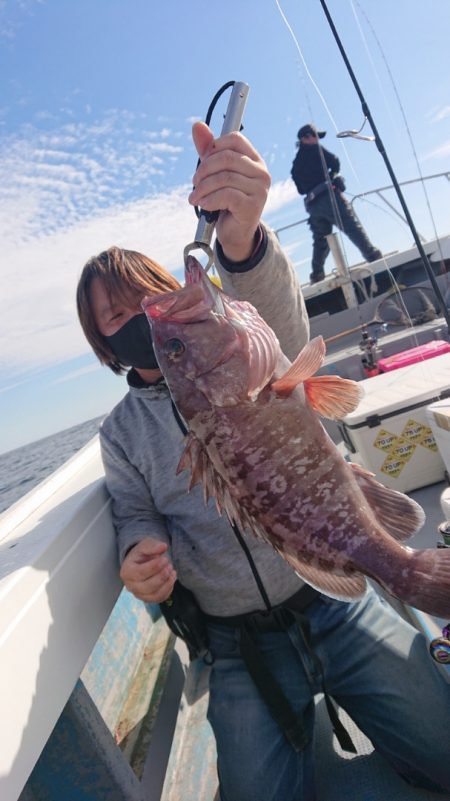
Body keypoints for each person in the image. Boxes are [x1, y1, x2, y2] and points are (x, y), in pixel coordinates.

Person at [76, 121, 450, 801]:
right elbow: (133, 510)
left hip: (334, 605)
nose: (135, 315)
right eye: (112, 316)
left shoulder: (249, 335)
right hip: (240, 645)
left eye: (141, 296)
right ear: (105, 348)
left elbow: (275, 318)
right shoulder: (123, 434)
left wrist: (241, 236)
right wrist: (140, 550)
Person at [291, 123, 382, 284]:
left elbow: (300, 189)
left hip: (312, 206)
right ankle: (372, 255)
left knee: (321, 240)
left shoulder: (296, 164)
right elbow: (335, 161)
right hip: (329, 198)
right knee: (350, 225)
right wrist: (334, 177)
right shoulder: (317, 150)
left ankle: (317, 274)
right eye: (315, 136)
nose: (317, 139)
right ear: (306, 137)